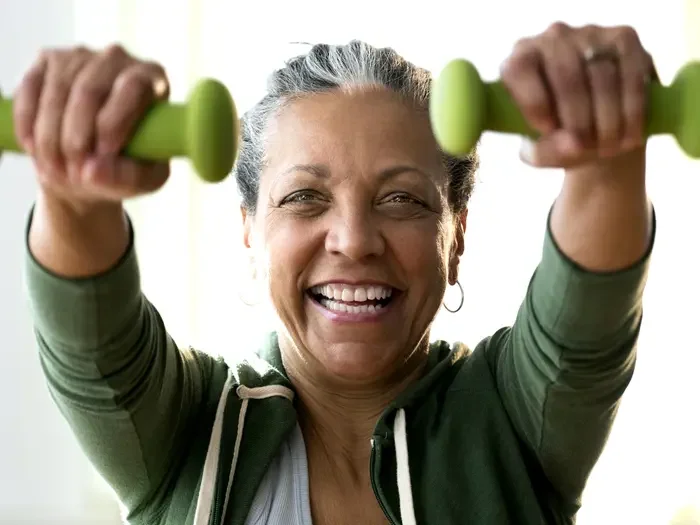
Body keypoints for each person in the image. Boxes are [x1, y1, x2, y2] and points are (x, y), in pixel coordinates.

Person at [22, 22, 654, 525]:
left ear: (456, 234)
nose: (353, 241)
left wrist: (607, 157)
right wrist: (75, 192)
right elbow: (92, 346)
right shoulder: (187, 429)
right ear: (250, 230)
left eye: (402, 198)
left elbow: (587, 319)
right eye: (304, 197)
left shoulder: (512, 419)